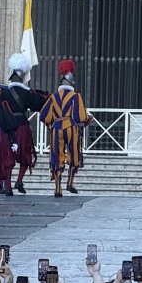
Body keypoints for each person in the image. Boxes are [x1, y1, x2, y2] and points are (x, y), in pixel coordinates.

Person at [40, 60, 93, 197]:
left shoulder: (53, 97)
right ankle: (70, 182)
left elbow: (44, 116)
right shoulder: (75, 96)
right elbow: (80, 116)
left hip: (56, 127)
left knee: (57, 156)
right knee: (74, 154)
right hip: (71, 127)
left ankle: (58, 188)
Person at [0, 53, 48, 194]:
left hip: (7, 128)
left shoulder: (3, 93)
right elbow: (37, 104)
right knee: (25, 155)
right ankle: (19, 181)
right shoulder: (28, 93)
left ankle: (8, 186)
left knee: (8, 157)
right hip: (22, 126)